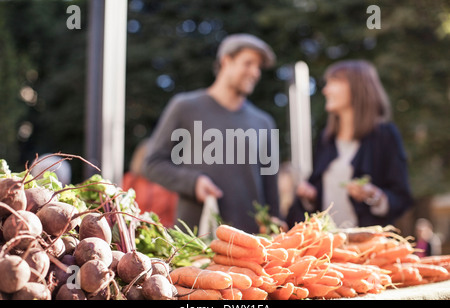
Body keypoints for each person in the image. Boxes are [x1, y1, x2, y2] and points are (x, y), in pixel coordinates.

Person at [141, 33, 281, 234]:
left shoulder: (264, 122)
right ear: (226, 61)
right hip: (196, 241)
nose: (255, 72)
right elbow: (152, 164)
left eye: (258, 67)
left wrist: (275, 224)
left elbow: (271, 190)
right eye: (248, 63)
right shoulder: (185, 108)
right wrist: (193, 182)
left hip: (250, 243)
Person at [287, 59, 413, 229]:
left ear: (357, 87)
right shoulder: (326, 140)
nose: (325, 90)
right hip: (328, 245)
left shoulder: (385, 136)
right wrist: (310, 197)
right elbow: (317, 203)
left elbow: (401, 199)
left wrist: (374, 196)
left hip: (367, 247)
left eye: (334, 82)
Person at [122, 138, 178, 227]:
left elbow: (174, 215)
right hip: (132, 228)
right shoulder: (129, 179)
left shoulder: (169, 183)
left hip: (161, 232)